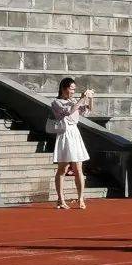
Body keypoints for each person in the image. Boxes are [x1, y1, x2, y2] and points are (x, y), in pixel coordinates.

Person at [51, 77, 94, 210]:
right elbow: (69, 111)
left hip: (75, 133)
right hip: (65, 133)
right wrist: (81, 99)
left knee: (78, 168)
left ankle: (81, 198)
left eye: (74, 89)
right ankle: (60, 199)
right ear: (64, 88)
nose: (73, 91)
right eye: (71, 89)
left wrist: (90, 98)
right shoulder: (56, 102)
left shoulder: (74, 101)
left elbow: (87, 110)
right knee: (62, 169)